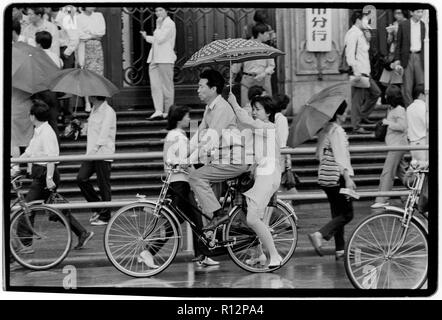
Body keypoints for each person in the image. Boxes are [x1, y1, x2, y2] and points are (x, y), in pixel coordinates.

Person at [138, 105, 220, 269]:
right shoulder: (176, 136)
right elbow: (184, 160)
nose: (189, 119)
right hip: (179, 183)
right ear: (179, 118)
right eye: (187, 116)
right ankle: (148, 251)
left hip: (180, 182)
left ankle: (202, 254)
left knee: (194, 220)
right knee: (178, 221)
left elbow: (187, 155)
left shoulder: (177, 135)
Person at [16, 100, 94, 251]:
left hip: (45, 175)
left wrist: (49, 178)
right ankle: (82, 233)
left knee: (28, 207)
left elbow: (52, 156)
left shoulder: (47, 132)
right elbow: (30, 152)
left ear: (33, 116)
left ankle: (25, 244)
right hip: (42, 175)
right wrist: (14, 162)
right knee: (55, 207)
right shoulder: (39, 130)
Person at [187, 69, 250, 231]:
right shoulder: (209, 108)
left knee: (195, 178)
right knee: (205, 206)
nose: (198, 90)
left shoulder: (221, 108)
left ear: (213, 89)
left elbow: (210, 139)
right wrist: (183, 154)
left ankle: (220, 215)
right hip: (219, 161)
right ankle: (211, 242)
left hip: (233, 161)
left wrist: (189, 159)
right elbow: (199, 135)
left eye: (201, 86)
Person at [227, 93, 283, 268]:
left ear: (268, 113)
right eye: (253, 109)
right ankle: (263, 255)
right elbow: (242, 136)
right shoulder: (256, 130)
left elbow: (248, 122)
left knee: (252, 218)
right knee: (253, 219)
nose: (254, 112)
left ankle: (274, 255)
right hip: (260, 174)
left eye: (258, 109)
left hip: (268, 174)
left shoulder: (269, 127)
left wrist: (234, 104)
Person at [308, 101, 356, 261]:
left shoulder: (325, 129)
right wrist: (348, 178)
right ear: (339, 114)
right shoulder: (337, 131)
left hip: (326, 177)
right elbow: (341, 156)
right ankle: (319, 235)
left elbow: (318, 155)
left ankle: (340, 250)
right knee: (347, 214)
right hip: (338, 178)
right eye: (345, 112)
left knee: (337, 213)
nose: (347, 115)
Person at [76, 96, 116, 226]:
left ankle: (105, 216)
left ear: (95, 96)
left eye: (90, 95)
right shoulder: (94, 109)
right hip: (91, 152)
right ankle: (98, 208)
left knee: (103, 184)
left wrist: (95, 150)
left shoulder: (108, 112)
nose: (88, 97)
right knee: (81, 178)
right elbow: (91, 127)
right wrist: (80, 127)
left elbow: (104, 134)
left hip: (103, 153)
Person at [371, 85, 408, 208]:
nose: (385, 96)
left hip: (397, 147)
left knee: (387, 173)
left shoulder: (399, 109)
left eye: (387, 95)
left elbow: (403, 127)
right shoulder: (391, 109)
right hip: (393, 145)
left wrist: (388, 123)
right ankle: (420, 188)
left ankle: (382, 199)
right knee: (403, 174)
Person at [345, 10, 381, 134]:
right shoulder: (352, 33)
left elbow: (364, 52)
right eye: (365, 19)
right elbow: (350, 54)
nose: (367, 22)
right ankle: (356, 125)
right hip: (359, 72)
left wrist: (368, 39)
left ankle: (362, 116)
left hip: (366, 71)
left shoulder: (361, 33)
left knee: (376, 92)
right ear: (358, 20)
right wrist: (356, 71)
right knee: (357, 100)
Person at [141, 7, 177, 120]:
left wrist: (158, 27)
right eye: (156, 11)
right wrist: (146, 37)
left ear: (166, 11)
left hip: (165, 58)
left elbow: (161, 39)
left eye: (161, 10)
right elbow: (157, 40)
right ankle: (158, 110)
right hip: (155, 58)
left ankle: (167, 111)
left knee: (167, 86)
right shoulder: (161, 24)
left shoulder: (169, 23)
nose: (158, 13)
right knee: (155, 86)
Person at [231, 23, 275, 108]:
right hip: (247, 80)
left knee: (266, 107)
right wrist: (232, 72)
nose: (268, 36)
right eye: (266, 33)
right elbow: (236, 67)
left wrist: (264, 73)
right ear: (260, 34)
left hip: (263, 80)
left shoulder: (267, 48)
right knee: (247, 108)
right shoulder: (244, 48)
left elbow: (271, 66)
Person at [393, 8, 426, 107]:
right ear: (411, 12)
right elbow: (398, 44)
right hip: (407, 57)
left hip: (420, 56)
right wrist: (397, 59)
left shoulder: (423, 25)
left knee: (421, 85)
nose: (420, 14)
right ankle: (409, 109)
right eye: (418, 12)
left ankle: (420, 109)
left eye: (421, 12)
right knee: (407, 86)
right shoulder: (403, 25)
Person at [77, 7, 106, 112]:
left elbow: (101, 32)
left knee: (98, 74)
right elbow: (79, 34)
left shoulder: (98, 16)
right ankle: (87, 102)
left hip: (97, 47)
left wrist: (88, 34)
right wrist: (92, 35)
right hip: (84, 47)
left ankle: (98, 100)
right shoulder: (78, 17)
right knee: (85, 73)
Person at [406, 84, 428, 162]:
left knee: (417, 169)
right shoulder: (425, 107)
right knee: (423, 170)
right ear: (421, 95)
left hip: (412, 143)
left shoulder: (409, 108)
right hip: (423, 142)